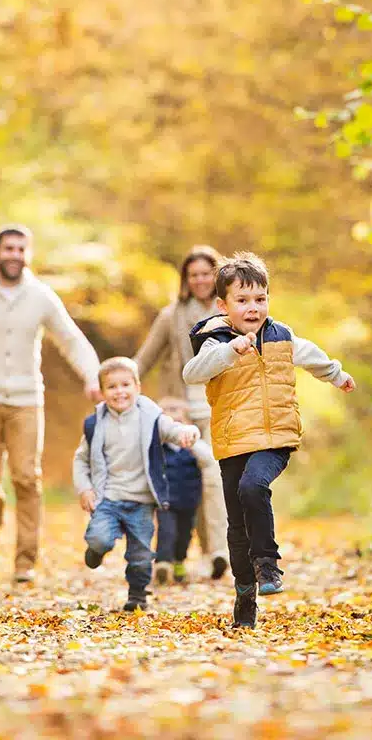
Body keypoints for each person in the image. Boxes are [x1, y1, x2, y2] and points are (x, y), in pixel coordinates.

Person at [183, 252, 356, 628]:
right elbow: (192, 373)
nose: (253, 308)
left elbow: (311, 355)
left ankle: (268, 566)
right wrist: (231, 351)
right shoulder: (215, 340)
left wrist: (336, 375)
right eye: (242, 300)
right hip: (233, 442)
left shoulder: (281, 335)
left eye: (260, 299)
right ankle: (245, 592)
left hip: (275, 437)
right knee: (236, 525)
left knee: (253, 486)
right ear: (223, 305)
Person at [0, 224, 102, 584]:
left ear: (29, 254)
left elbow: (71, 340)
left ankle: (25, 560)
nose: (14, 255)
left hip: (27, 400)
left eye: (21, 249)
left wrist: (92, 377)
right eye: (8, 248)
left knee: (27, 478)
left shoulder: (41, 296)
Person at [73, 357, 200, 612]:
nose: (120, 392)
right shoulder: (95, 424)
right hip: (108, 498)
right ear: (102, 392)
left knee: (141, 555)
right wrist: (85, 488)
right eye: (112, 387)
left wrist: (189, 432)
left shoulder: (151, 418)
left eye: (125, 385)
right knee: (99, 539)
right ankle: (96, 550)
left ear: (137, 387)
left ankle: (138, 595)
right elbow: (81, 459)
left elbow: (173, 429)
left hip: (141, 501)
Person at [134, 245, 229, 580]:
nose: (201, 280)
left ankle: (218, 552)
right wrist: (119, 384)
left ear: (217, 276)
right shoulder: (171, 315)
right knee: (181, 484)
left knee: (215, 480)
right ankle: (176, 554)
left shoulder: (231, 313)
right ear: (186, 280)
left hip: (219, 409)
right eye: (194, 275)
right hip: (180, 412)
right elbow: (144, 358)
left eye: (206, 273)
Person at [152, 397, 216, 585]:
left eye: (179, 420)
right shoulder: (158, 448)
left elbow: (209, 459)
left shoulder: (194, 450)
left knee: (184, 534)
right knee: (167, 531)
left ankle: (179, 561)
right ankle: (163, 563)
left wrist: (192, 442)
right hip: (165, 500)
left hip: (189, 501)